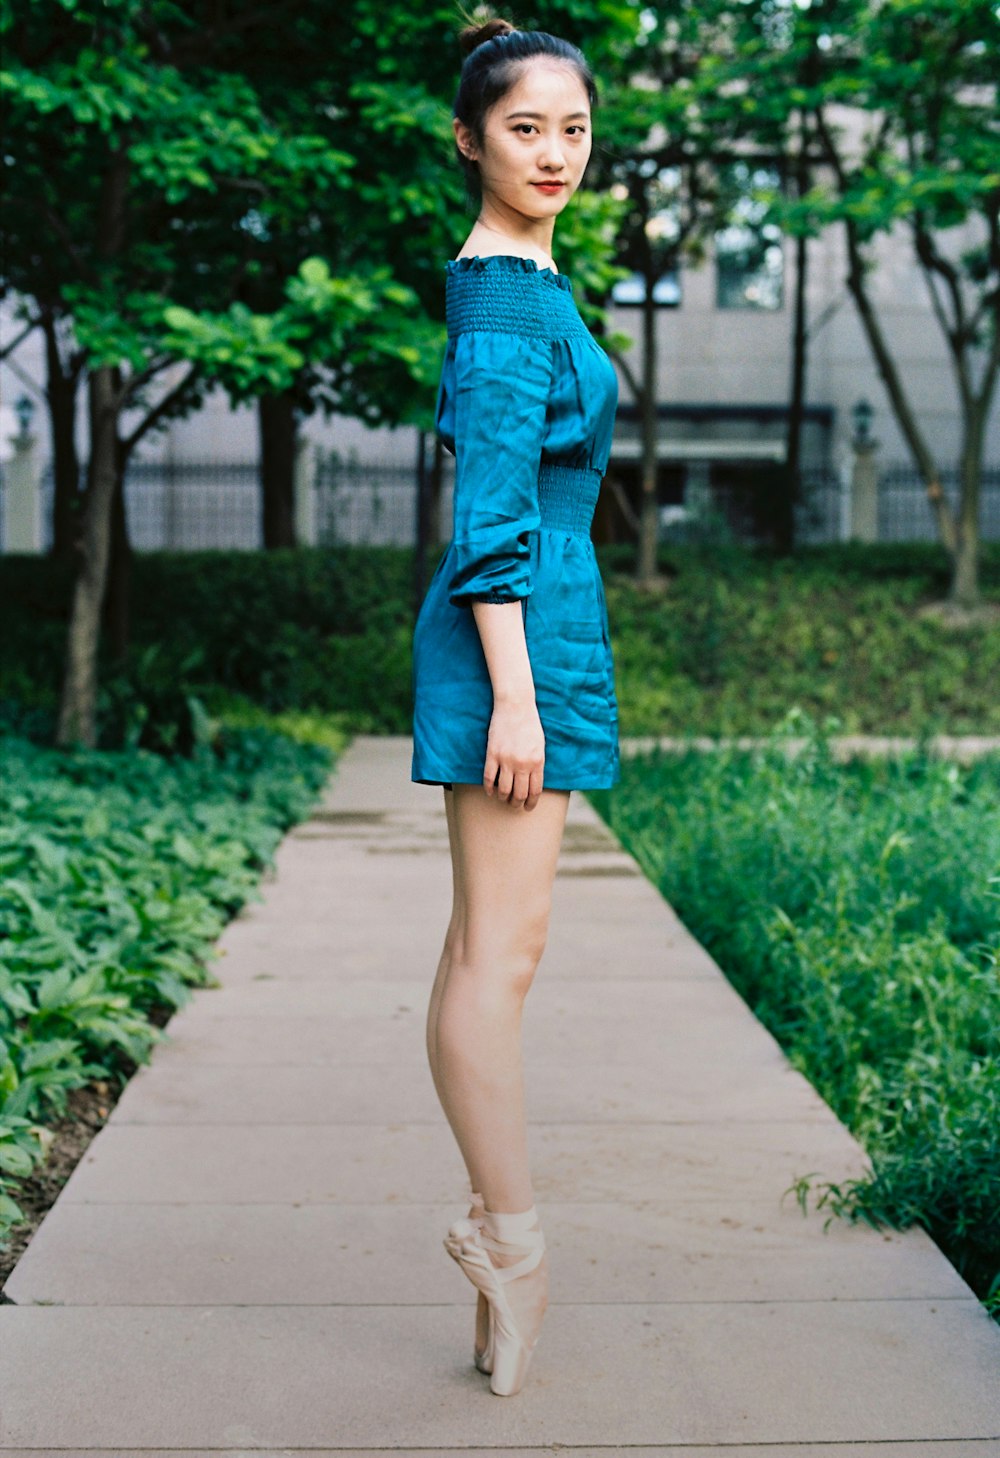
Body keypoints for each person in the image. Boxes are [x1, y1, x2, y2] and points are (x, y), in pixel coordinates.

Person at [410, 11, 620, 1397]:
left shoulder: (527, 281)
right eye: (525, 127)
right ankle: (518, 1243)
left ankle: (502, 1238)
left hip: (535, 636)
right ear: (470, 139)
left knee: (485, 951)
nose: (553, 151)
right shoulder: (500, 305)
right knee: (504, 959)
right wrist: (518, 696)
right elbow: (489, 516)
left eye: (573, 127)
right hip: (518, 644)